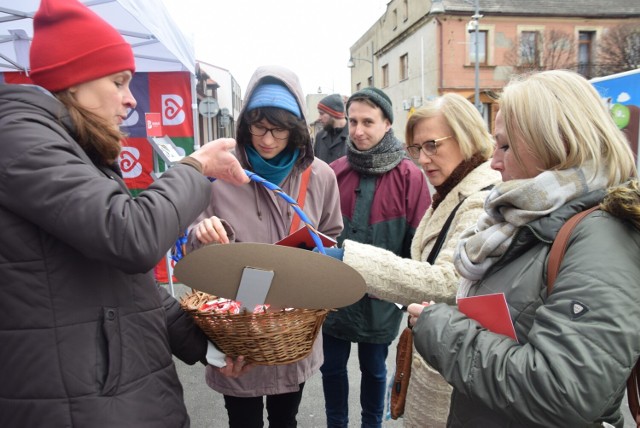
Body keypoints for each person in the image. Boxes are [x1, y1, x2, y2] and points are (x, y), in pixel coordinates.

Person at [0, 0, 250, 426]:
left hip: (116, 391)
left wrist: (204, 343)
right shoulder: (18, 135)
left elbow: (123, 282)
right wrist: (195, 168)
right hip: (79, 402)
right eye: (118, 82)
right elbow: (131, 237)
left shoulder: (74, 147)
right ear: (73, 80)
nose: (130, 100)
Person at [408, 69, 640, 427]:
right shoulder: (528, 218)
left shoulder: (601, 237)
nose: (494, 161)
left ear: (554, 145)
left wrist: (440, 328)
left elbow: (565, 391)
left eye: (504, 146)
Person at [327, 93, 500, 427]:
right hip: (417, 333)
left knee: (374, 370)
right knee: (332, 367)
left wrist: (349, 258)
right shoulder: (451, 189)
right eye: (418, 148)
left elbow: (445, 277)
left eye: (432, 145)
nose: (424, 159)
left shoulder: (474, 200)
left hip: (402, 315)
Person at [185, 65, 343, 428]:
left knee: (287, 417)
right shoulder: (218, 173)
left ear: (297, 129)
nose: (267, 139)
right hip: (235, 327)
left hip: (290, 330)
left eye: (279, 128)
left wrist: (318, 259)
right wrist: (203, 232)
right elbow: (191, 247)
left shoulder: (319, 175)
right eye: (258, 126)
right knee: (241, 419)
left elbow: (332, 235)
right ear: (244, 124)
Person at [320, 87, 431, 428]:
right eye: (353, 121)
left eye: (368, 121)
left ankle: (372, 424)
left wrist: (408, 294)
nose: (357, 130)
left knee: (375, 368)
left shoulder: (411, 176)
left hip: (382, 297)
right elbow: (316, 231)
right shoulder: (334, 172)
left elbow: (418, 245)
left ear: (387, 124)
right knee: (332, 367)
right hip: (333, 295)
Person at [314, 93, 349, 164]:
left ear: (333, 113)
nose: (319, 118)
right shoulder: (320, 136)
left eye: (321, 113)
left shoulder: (354, 135)